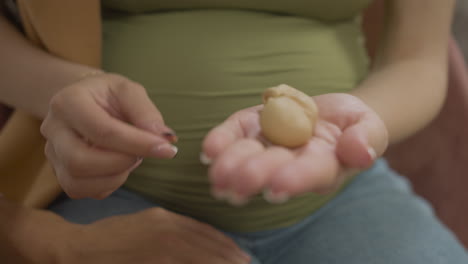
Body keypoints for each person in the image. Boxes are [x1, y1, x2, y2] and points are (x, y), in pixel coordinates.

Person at [1, 0, 467, 263]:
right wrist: (63, 91)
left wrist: (360, 127)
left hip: (344, 202)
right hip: (115, 202)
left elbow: (416, 59)